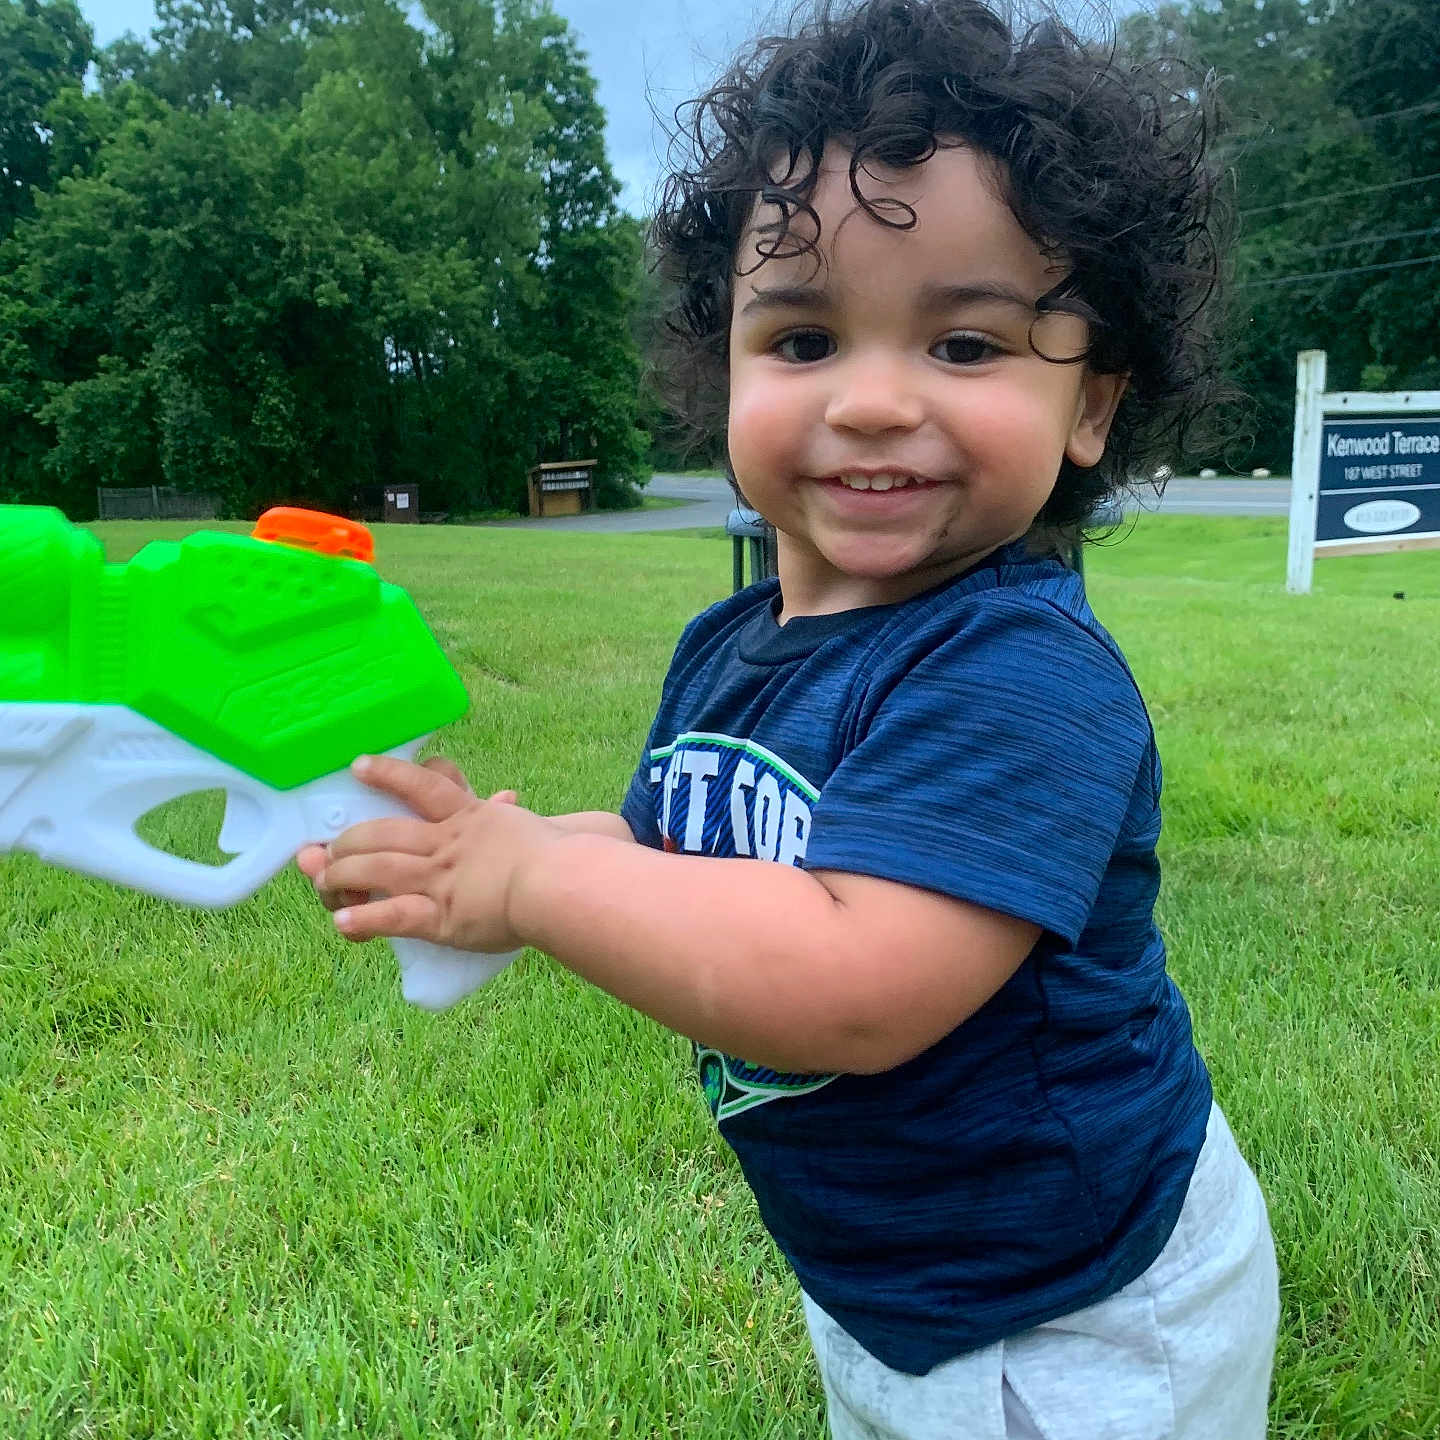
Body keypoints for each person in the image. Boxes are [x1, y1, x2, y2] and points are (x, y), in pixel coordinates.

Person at [300, 2, 1280, 1434]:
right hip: (891, 1274)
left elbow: (855, 988)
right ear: (731, 370)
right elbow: (685, 858)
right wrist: (502, 864)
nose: (875, 401)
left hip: (1073, 1309)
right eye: (808, 335)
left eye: (965, 345)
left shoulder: (1020, 674)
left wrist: (545, 880)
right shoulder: (733, 646)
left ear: (1092, 408)